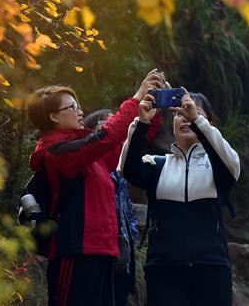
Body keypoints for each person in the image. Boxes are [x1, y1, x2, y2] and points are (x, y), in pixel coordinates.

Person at [25, 69, 165, 306]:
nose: (80, 112)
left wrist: (149, 117)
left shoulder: (89, 157)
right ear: (53, 117)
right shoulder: (56, 151)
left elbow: (124, 146)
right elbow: (105, 139)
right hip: (75, 252)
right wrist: (136, 98)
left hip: (102, 251)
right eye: (72, 107)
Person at [119, 89, 240, 306]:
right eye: (178, 113)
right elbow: (127, 168)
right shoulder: (157, 164)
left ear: (208, 123)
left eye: (193, 112)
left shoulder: (218, 164)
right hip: (164, 271)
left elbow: (231, 164)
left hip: (211, 268)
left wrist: (198, 122)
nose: (185, 117)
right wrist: (142, 122)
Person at [82, 109, 139, 306]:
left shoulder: (116, 167)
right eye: (105, 123)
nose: (113, 128)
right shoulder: (87, 161)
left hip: (122, 247)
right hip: (95, 249)